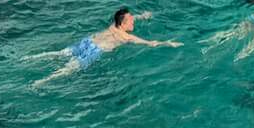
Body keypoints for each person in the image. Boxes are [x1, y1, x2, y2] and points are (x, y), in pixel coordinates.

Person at [34, 8, 178, 86]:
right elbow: (151, 43)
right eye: (131, 20)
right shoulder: (126, 37)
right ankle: (42, 82)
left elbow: (124, 18)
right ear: (123, 24)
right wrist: (168, 43)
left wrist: (143, 16)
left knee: (60, 53)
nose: (133, 21)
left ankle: (31, 58)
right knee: (69, 69)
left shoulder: (113, 26)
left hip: (88, 41)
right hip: (95, 50)